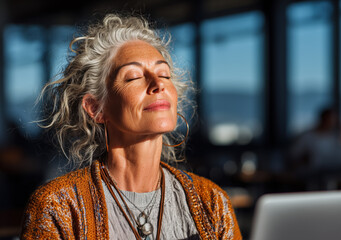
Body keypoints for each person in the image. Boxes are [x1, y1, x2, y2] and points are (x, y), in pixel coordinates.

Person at [21, 14, 241, 240]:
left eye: (164, 74)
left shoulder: (212, 202)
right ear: (96, 108)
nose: (158, 85)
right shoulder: (58, 207)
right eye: (134, 77)